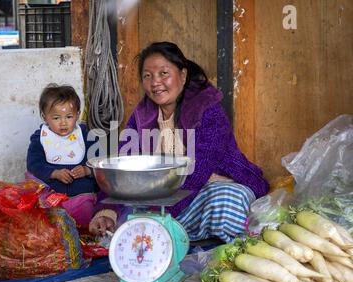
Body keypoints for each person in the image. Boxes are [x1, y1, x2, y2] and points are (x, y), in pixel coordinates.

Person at [89, 41, 270, 243]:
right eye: (147, 76)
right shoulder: (142, 114)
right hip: (160, 197)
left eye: (163, 73)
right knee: (121, 224)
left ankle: (168, 232)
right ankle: (167, 233)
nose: (155, 82)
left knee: (228, 201)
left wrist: (159, 213)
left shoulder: (207, 109)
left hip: (205, 190)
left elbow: (198, 171)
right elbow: (123, 169)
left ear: (182, 76)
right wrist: (106, 211)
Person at [26, 83, 98, 229]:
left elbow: (98, 159)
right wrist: (53, 173)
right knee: (46, 221)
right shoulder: (40, 137)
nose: (63, 123)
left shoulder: (85, 136)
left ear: (77, 114)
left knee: (86, 218)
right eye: (56, 118)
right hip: (52, 196)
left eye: (69, 116)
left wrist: (87, 170)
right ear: (45, 117)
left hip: (81, 195)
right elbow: (33, 163)